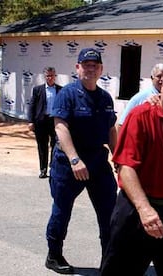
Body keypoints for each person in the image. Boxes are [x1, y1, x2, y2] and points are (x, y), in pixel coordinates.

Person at [100, 65, 163, 276]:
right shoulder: (140, 116)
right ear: (161, 86)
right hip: (136, 213)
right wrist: (145, 210)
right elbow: (126, 167)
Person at [45, 48, 118, 274]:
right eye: (86, 64)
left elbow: (111, 128)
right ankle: (54, 255)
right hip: (69, 164)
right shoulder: (67, 93)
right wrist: (74, 159)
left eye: (95, 65)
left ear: (101, 70)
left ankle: (110, 259)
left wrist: (118, 156)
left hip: (97, 161)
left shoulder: (105, 98)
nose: (90, 68)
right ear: (78, 68)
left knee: (109, 212)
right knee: (61, 210)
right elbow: (60, 126)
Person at [28, 67, 62, 178]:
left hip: (55, 121)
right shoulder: (38, 90)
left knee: (55, 145)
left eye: (52, 75)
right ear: (45, 76)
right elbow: (32, 106)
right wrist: (31, 121)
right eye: (48, 75)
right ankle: (43, 169)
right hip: (41, 122)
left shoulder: (61, 90)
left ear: (55, 76)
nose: (50, 78)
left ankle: (53, 167)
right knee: (42, 147)